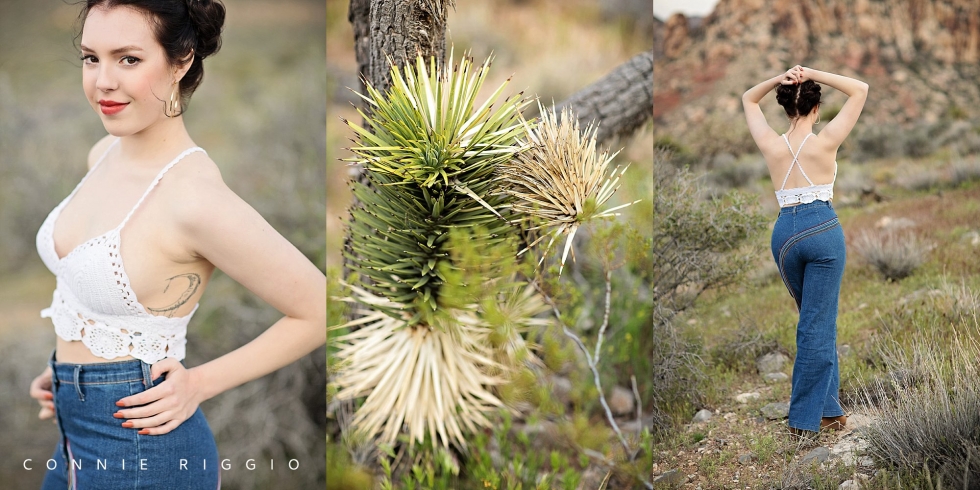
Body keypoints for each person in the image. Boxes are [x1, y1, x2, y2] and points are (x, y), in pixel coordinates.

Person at [27, 1, 326, 488]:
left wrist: (200, 383)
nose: (103, 80)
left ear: (181, 59)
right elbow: (89, 294)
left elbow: (317, 307)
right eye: (90, 58)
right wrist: (65, 376)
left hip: (145, 449)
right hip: (72, 437)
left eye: (128, 59)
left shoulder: (193, 198)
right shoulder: (102, 154)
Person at [742, 65, 868, 440]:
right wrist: (811, 71)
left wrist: (779, 78)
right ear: (815, 109)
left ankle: (829, 411)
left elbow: (748, 98)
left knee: (814, 319)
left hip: (784, 236)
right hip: (822, 230)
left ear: (786, 109)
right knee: (817, 324)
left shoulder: (770, 143)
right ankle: (802, 422)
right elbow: (860, 88)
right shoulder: (826, 140)